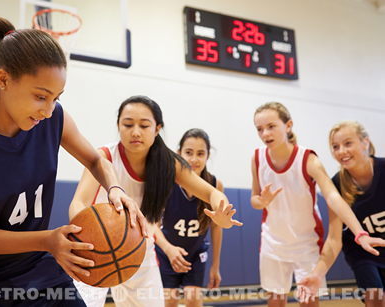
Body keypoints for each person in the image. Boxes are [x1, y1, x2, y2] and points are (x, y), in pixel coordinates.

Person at [0, 15, 146, 306]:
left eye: (56, 97)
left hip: (36, 269)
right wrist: (46, 240)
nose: (48, 108)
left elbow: (97, 161)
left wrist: (116, 189)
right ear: (3, 79)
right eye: (41, 96)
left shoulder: (54, 118)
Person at [69, 95, 242, 307]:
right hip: (95, 249)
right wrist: (86, 237)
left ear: (157, 128)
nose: (135, 131)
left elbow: (211, 193)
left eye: (144, 125)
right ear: (118, 126)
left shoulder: (168, 163)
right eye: (128, 124)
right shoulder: (104, 156)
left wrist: (221, 210)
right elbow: (78, 203)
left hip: (138, 249)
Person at [251, 103, 383, 307]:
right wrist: (261, 201)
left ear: (288, 125)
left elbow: (333, 198)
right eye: (259, 129)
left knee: (309, 301)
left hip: (306, 243)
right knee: (275, 301)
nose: (264, 133)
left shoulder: (308, 159)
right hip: (273, 242)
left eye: (271, 126)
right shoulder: (257, 157)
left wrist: (360, 232)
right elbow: (254, 199)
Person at [297, 121, 385, 306]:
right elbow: (335, 239)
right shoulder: (336, 185)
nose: (341, 151)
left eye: (348, 143)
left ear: (365, 142)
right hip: (363, 254)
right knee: (375, 298)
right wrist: (317, 274)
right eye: (335, 147)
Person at [154, 128, 224, 307]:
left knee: (193, 298)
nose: (194, 159)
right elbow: (152, 223)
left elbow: (217, 227)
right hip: (167, 252)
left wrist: (215, 266)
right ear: (178, 154)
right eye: (189, 152)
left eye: (200, 153)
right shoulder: (167, 182)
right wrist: (168, 249)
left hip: (195, 253)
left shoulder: (215, 185)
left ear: (208, 156)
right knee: (169, 300)